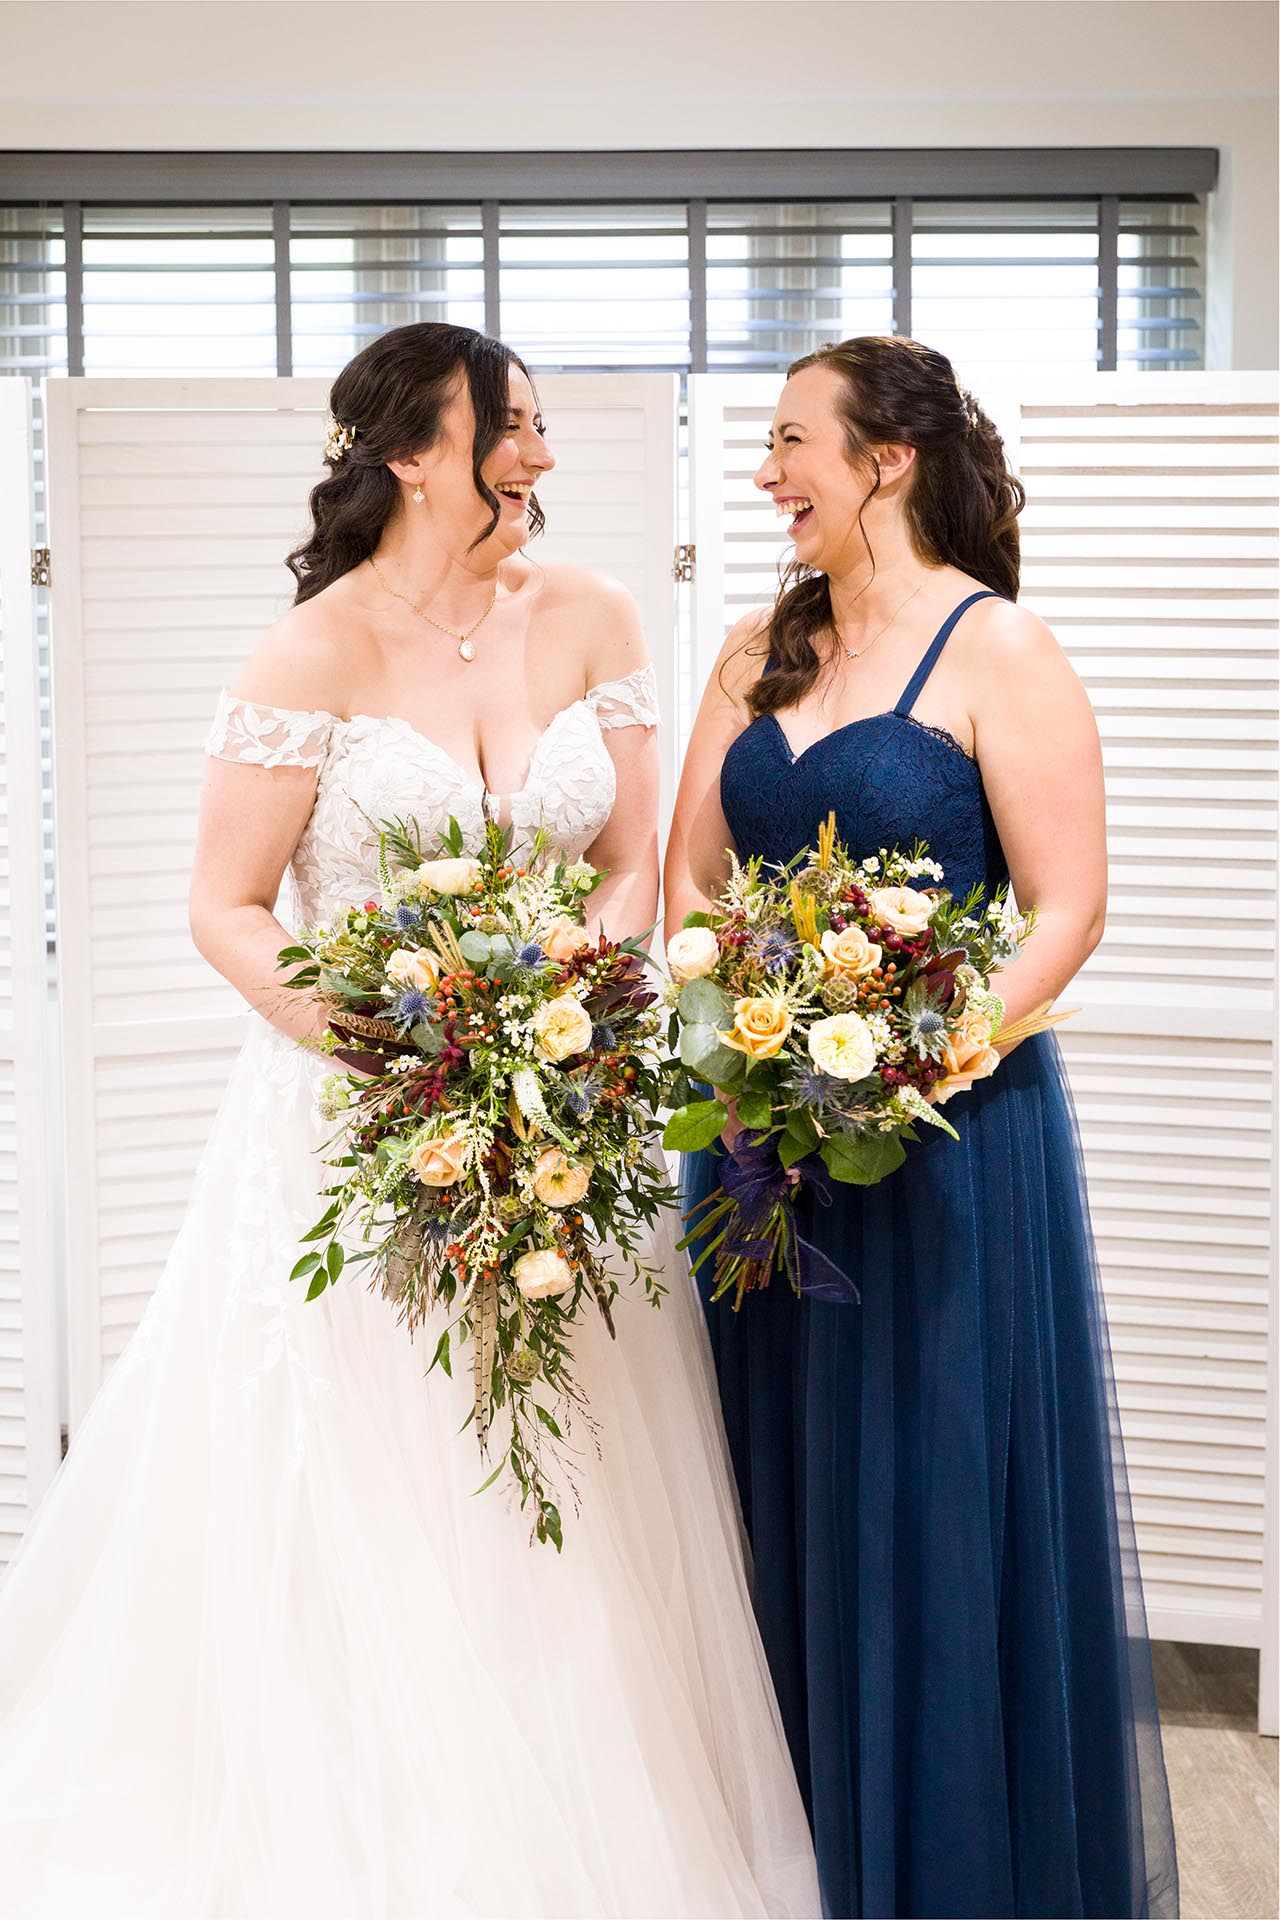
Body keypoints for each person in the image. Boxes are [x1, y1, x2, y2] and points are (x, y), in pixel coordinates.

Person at [0, 323, 820, 1920]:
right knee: (383, 1480)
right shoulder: (311, 651)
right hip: (363, 1134)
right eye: (512, 428)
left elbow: (635, 861)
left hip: (561, 1120)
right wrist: (383, 1043)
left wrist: (575, 998)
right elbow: (228, 909)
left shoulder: (589, 613)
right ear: (410, 451)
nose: (544, 456)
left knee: (577, 1481)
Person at [667, 336, 1178, 1920]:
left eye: (791, 441)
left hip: (944, 1146)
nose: (768, 472)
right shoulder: (755, 645)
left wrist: (896, 1066)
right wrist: (758, 1051)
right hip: (759, 1143)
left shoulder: (999, 650)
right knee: (771, 1495)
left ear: (886, 459)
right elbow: (690, 877)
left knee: (929, 1501)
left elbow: (1065, 909)